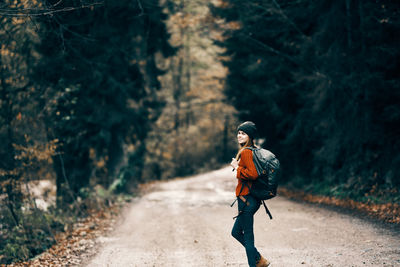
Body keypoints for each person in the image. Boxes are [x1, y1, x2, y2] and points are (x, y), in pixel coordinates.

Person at [230, 121, 270, 267]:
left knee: (248, 238)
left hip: (246, 199)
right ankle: (259, 259)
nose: (239, 135)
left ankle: (256, 263)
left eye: (243, 133)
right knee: (235, 232)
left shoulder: (247, 152)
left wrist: (237, 167)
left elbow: (252, 174)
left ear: (250, 136)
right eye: (239, 133)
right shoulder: (252, 150)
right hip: (249, 199)